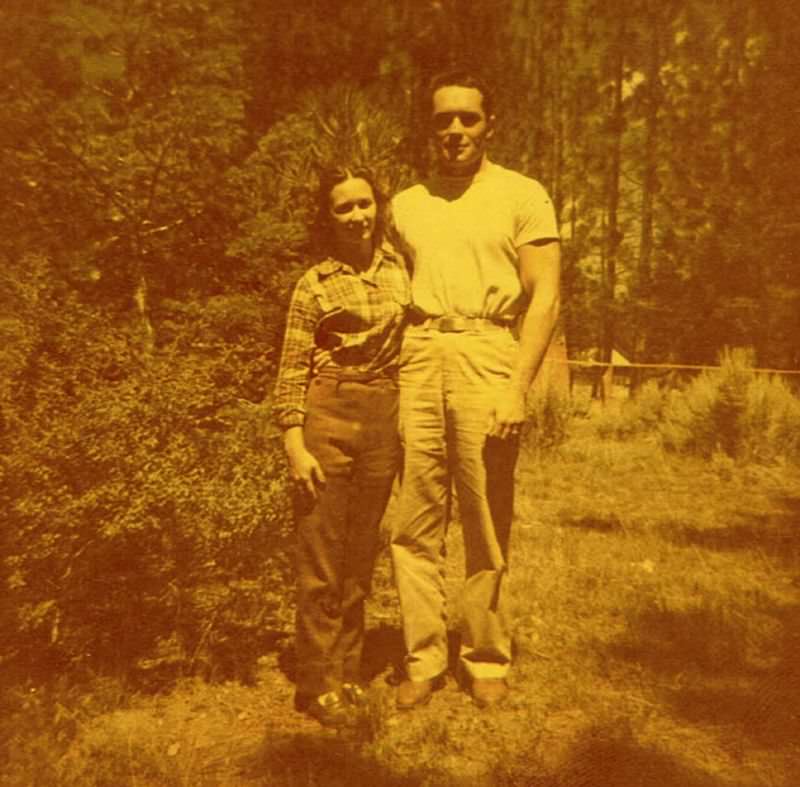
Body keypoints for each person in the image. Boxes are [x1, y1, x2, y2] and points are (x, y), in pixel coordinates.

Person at [389, 69, 561, 709]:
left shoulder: (522, 195)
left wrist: (519, 386)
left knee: (486, 511)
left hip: (490, 349)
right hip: (421, 350)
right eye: (443, 120)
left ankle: (485, 656)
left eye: (468, 118)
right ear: (429, 127)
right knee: (415, 517)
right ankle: (423, 657)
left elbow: (545, 295)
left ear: (490, 124)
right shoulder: (407, 203)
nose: (455, 130)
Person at [273, 164, 409, 727]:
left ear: (378, 208)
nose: (357, 216)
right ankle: (317, 682)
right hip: (327, 413)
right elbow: (289, 371)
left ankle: (349, 672)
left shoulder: (400, 269)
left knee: (359, 555)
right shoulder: (315, 284)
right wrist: (294, 445)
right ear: (327, 219)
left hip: (383, 417)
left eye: (364, 204)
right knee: (321, 557)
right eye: (343, 208)